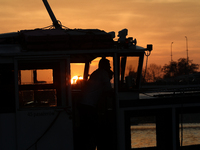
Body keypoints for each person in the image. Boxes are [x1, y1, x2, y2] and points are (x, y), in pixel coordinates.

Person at [77, 58, 113, 150]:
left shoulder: (96, 73)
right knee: (92, 128)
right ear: (104, 66)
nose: (110, 67)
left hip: (84, 104)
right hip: (88, 105)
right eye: (109, 65)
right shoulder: (103, 73)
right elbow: (108, 89)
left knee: (88, 129)